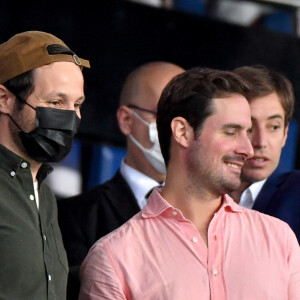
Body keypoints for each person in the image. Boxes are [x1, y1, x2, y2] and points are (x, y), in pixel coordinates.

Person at [79, 67, 300, 299]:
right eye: (231, 132)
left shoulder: (279, 239)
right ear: (182, 132)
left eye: (247, 132)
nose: (247, 149)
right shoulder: (115, 258)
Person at [57, 61, 184, 298]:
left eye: (188, 116)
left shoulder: (216, 212)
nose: (178, 129)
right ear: (127, 120)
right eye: (165, 115)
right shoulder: (75, 216)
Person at [0, 31, 90, 299]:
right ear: (5, 99)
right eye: (55, 102)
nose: (70, 117)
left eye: (77, 104)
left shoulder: (44, 194)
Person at [230, 65, 300, 242]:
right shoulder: (194, 196)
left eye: (274, 127)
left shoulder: (295, 193)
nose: (261, 142)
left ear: (285, 134)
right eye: (250, 127)